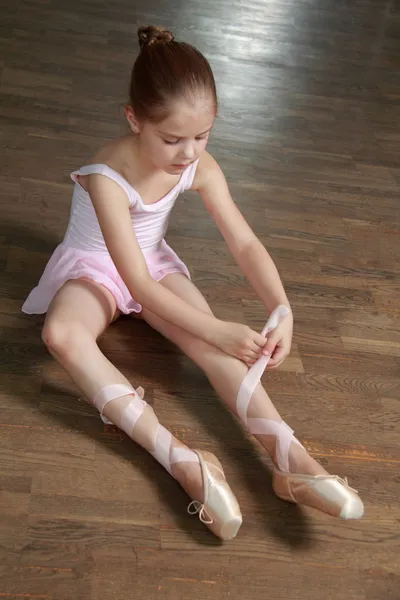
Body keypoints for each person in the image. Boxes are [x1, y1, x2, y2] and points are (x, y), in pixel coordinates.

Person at [22, 25, 363, 540]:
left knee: (217, 350)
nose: (188, 153)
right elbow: (131, 278)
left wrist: (282, 307)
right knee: (62, 335)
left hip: (153, 266)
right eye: (172, 139)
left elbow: (243, 241)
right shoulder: (106, 175)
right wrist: (217, 326)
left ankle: (292, 461)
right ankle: (181, 460)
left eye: (202, 136)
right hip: (98, 268)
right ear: (134, 119)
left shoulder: (197, 164)